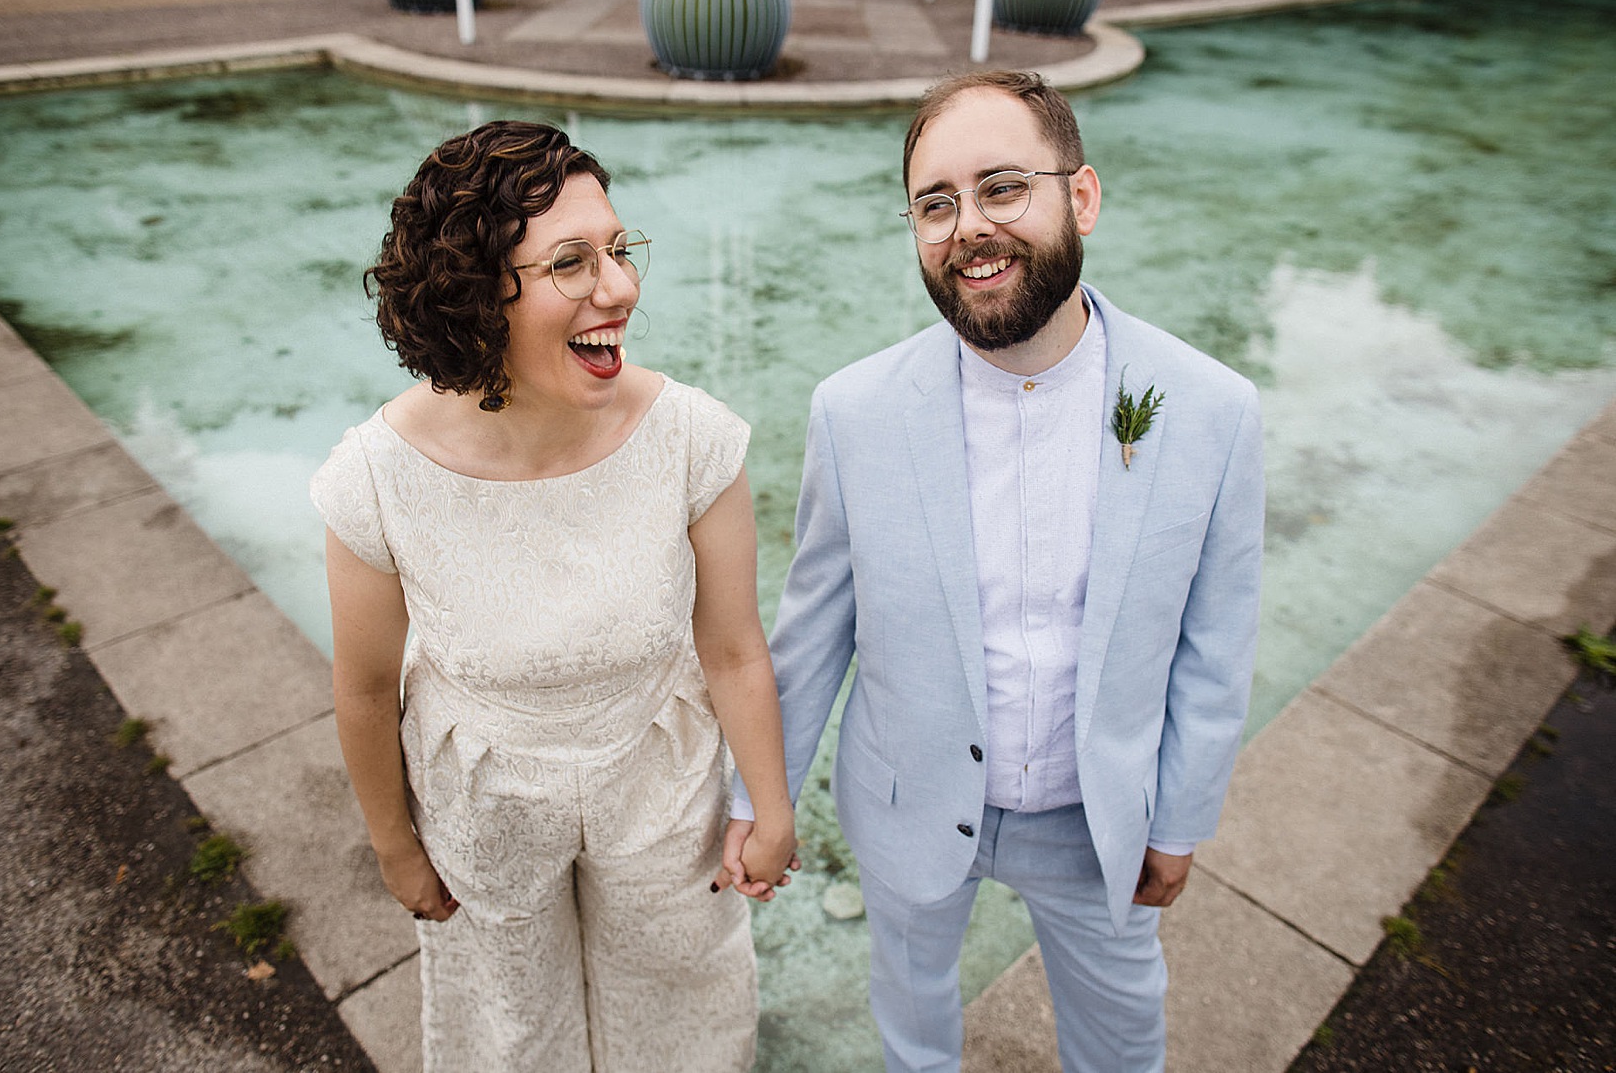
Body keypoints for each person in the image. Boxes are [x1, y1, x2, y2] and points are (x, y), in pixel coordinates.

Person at [731, 71, 1266, 1072]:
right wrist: (758, 799)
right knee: (910, 1022)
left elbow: (1214, 638)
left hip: (1097, 819)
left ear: (1083, 197)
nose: (967, 225)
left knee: (1120, 1040)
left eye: (1002, 187)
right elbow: (809, 631)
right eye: (936, 202)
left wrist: (1180, 813)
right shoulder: (852, 413)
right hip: (905, 798)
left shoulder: (1208, 409)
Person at [310, 121, 797, 1073]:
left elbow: (735, 648)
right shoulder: (375, 477)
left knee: (682, 1014)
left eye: (618, 250)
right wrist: (393, 846)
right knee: (509, 1032)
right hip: (480, 800)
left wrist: (769, 805)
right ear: (470, 291)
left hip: (662, 784)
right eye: (570, 263)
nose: (617, 288)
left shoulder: (693, 439)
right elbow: (367, 688)